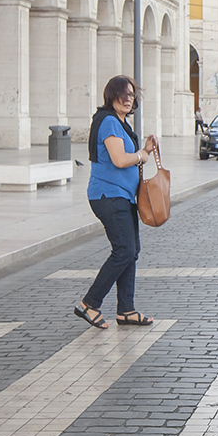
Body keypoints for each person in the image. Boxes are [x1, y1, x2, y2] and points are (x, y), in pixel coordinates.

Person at [73, 76, 157, 329]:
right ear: (111, 95)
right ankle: (90, 303)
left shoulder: (120, 123)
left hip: (122, 196)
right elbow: (120, 160)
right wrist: (142, 155)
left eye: (132, 94)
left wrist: (145, 150)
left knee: (131, 253)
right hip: (108, 196)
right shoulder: (109, 121)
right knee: (124, 251)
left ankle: (126, 310)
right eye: (124, 94)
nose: (129, 98)